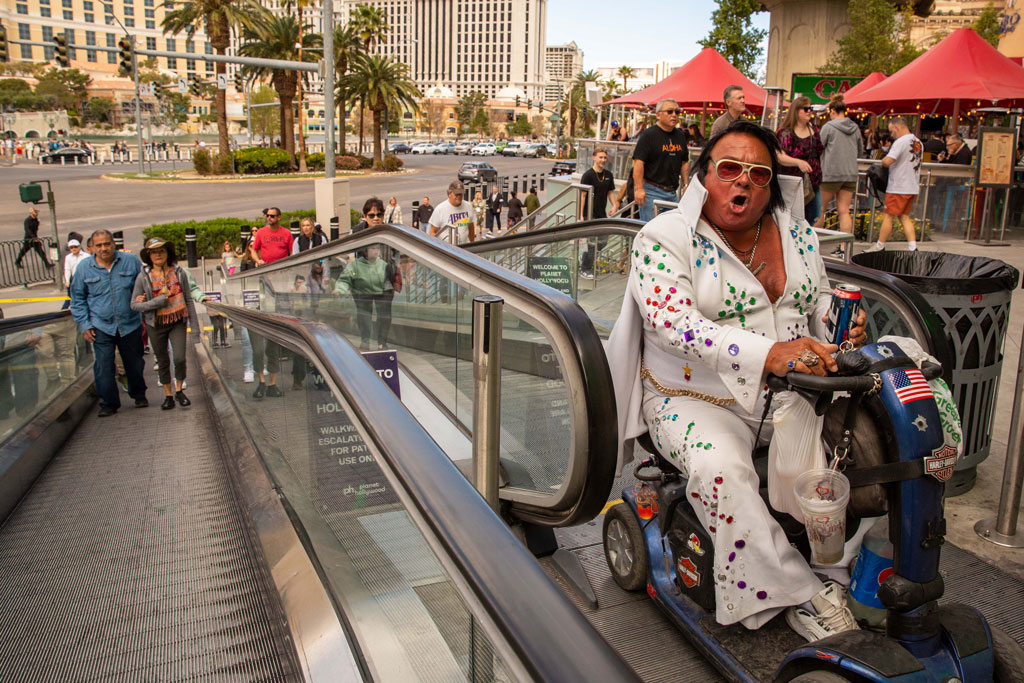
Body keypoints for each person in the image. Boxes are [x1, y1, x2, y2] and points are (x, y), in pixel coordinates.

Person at [607, 120, 866, 641]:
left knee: (872, 450)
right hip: (693, 400)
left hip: (796, 396)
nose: (742, 182)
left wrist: (842, 325)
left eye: (758, 174)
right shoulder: (662, 238)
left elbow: (814, 304)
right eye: (729, 169)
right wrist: (769, 353)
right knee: (722, 468)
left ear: (771, 186)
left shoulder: (798, 234)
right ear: (704, 177)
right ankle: (801, 594)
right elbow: (672, 321)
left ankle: (842, 570)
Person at [70, 229, 148, 417]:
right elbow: (77, 299)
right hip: (101, 326)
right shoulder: (84, 268)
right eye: (99, 245)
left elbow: (146, 286)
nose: (103, 248)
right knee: (104, 366)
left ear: (114, 244)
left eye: (107, 244)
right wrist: (85, 325)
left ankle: (138, 394)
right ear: (91, 248)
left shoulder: (131, 261)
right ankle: (109, 403)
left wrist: (145, 309)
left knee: (135, 364)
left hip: (130, 323)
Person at [130, 238, 200, 410]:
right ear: (149, 255)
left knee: (179, 358)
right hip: (156, 324)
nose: (158, 254)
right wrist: (157, 302)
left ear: (168, 253)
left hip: (177, 321)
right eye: (154, 252)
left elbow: (188, 300)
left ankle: (179, 390)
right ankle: (168, 395)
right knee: (162, 361)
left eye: (161, 250)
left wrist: (195, 327)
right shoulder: (143, 277)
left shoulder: (179, 272)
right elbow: (134, 305)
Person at [249, 207, 293, 398]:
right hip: (264, 282)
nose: (269, 218)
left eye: (273, 216)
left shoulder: (286, 234)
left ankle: (272, 384)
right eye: (267, 216)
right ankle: (260, 381)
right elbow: (253, 249)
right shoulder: (260, 233)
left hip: (281, 283)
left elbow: (293, 255)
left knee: (273, 343)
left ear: (279, 218)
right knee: (258, 348)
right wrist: (257, 260)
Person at [865, 117, 922, 252]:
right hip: (911, 185)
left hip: (898, 185)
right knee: (904, 216)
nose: (891, 135)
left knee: (888, 216)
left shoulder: (901, 142)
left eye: (892, 131)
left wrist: (882, 160)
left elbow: (888, 161)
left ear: (897, 128)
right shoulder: (917, 141)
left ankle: (880, 245)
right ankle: (912, 246)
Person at [815, 94, 863, 246]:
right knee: (844, 211)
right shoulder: (855, 128)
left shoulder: (828, 127)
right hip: (850, 173)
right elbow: (860, 151)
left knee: (820, 210)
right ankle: (844, 247)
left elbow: (818, 148)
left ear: (834, 111)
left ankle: (816, 246)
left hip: (830, 173)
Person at [632, 98, 690, 222]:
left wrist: (685, 184)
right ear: (658, 115)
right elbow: (638, 162)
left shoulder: (680, 135)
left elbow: (684, 161)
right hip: (652, 191)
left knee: (669, 231)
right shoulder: (649, 135)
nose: (674, 115)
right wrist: (639, 188)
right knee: (650, 232)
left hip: (672, 192)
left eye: (677, 112)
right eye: (669, 112)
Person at [334, 243, 399, 350]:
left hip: (381, 293)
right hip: (362, 293)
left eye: (377, 248)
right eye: (373, 249)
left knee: (384, 317)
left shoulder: (382, 264)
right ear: (365, 251)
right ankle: (365, 340)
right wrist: (339, 289)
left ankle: (382, 342)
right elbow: (345, 279)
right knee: (364, 316)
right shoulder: (355, 265)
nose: (376, 251)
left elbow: (388, 279)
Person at [777, 96, 824, 224]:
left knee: (814, 215)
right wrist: (798, 162)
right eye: (806, 109)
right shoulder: (786, 132)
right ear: (796, 111)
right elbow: (780, 156)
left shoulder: (814, 130)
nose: (809, 111)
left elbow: (820, 151)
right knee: (792, 218)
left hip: (812, 181)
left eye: (811, 108)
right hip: (792, 183)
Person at [62, 237, 88, 311]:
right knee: (71, 295)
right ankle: (66, 309)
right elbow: (67, 269)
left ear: (79, 247)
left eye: (75, 247)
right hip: (74, 279)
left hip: (84, 279)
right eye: (71, 247)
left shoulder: (86, 256)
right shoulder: (68, 257)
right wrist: (67, 281)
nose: (73, 249)